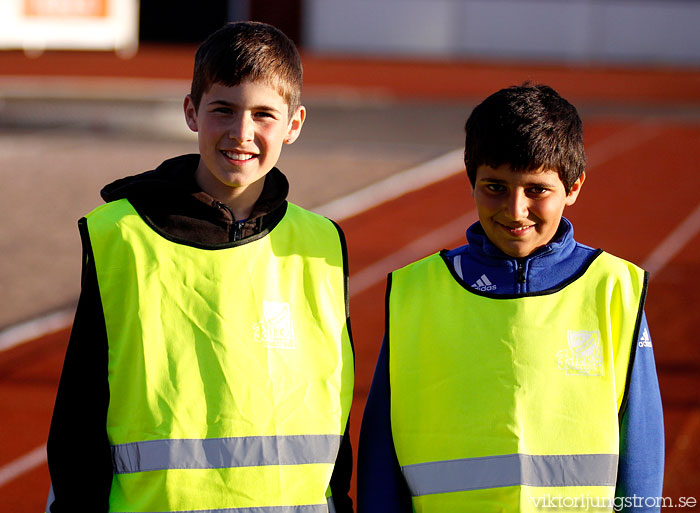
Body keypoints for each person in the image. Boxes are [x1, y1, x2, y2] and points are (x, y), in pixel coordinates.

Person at [46, 21, 354, 513]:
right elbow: (78, 419)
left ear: (294, 124)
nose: (242, 133)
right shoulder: (122, 236)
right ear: (192, 112)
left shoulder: (321, 246)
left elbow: (334, 407)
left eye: (264, 115)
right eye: (224, 110)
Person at [357, 84, 664, 512]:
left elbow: (641, 456)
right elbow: (380, 453)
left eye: (536, 190)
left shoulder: (615, 290)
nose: (515, 210)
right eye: (495, 187)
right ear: (472, 181)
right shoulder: (416, 292)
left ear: (573, 188)